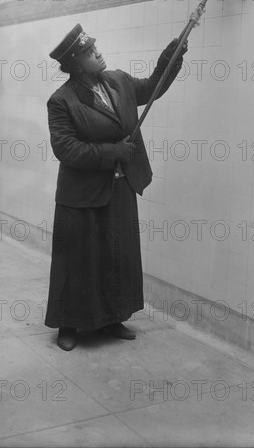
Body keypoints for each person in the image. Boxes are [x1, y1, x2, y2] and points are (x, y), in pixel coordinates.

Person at [45, 23, 187, 350]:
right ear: (76, 63)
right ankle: (69, 324)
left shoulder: (119, 82)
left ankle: (112, 317)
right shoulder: (62, 101)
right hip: (81, 196)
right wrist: (113, 152)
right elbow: (65, 148)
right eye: (90, 51)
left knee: (115, 256)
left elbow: (153, 87)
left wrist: (172, 55)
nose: (98, 51)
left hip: (120, 189)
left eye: (96, 46)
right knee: (78, 262)